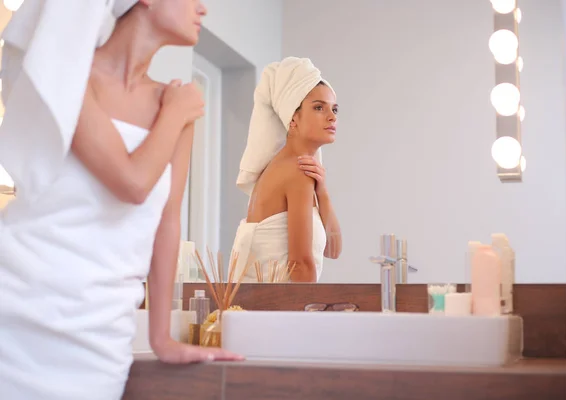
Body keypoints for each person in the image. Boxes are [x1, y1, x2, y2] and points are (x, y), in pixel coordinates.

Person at [0, 1, 241, 399]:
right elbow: (131, 183)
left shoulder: (175, 104)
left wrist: (161, 336)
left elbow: (167, 220)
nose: (202, 7)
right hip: (17, 310)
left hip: (100, 336)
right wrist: (173, 115)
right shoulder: (72, 72)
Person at [232, 57, 342, 283]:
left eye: (335, 109)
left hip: (262, 310)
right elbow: (300, 265)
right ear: (293, 118)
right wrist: (311, 314)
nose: (332, 117)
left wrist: (323, 192)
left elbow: (333, 250)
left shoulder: (291, 167)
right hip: (275, 313)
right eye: (319, 108)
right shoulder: (296, 170)